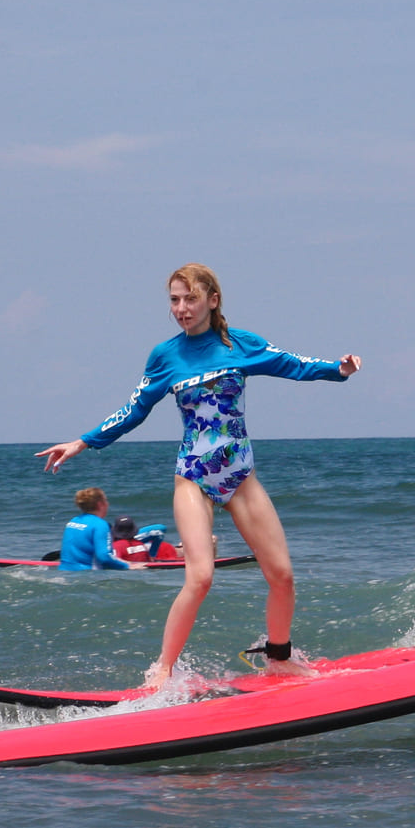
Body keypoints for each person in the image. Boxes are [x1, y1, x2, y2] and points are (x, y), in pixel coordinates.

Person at [38, 263, 359, 684]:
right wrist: (83, 442)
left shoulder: (240, 345)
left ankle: (279, 657)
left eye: (190, 299)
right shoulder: (165, 356)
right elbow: (134, 410)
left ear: (213, 300)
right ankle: (162, 670)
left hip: (240, 475)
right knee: (201, 577)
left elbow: (291, 363)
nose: (181, 308)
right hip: (193, 477)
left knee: (282, 576)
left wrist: (338, 369)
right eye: (175, 300)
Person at [58, 488, 133, 571]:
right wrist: (127, 567)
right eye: (106, 500)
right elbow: (104, 557)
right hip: (87, 574)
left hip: (64, 571)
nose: (108, 504)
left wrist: (125, 563)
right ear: (100, 504)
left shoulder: (73, 521)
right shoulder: (100, 525)